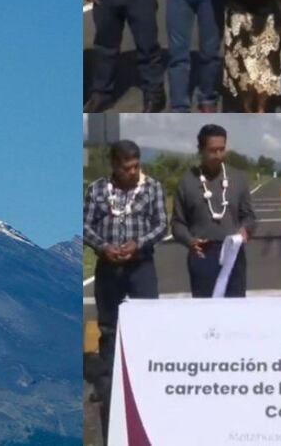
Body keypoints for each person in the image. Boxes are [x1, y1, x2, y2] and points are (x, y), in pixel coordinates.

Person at [82, 140, 168, 439]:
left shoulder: (152, 188)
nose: (132, 172)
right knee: (109, 329)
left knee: (147, 324)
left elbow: (161, 225)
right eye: (126, 168)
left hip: (141, 267)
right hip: (109, 269)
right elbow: (84, 225)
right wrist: (103, 247)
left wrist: (138, 244)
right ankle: (108, 387)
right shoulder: (97, 190)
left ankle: (147, 383)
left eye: (136, 166)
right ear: (114, 166)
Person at [171, 124, 257, 297]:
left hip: (233, 254)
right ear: (200, 150)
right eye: (212, 150)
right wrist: (189, 240)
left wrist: (245, 229)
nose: (218, 155)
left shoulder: (238, 178)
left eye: (221, 149)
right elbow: (177, 223)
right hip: (202, 254)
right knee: (205, 307)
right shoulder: (187, 181)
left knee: (235, 306)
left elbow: (249, 216)